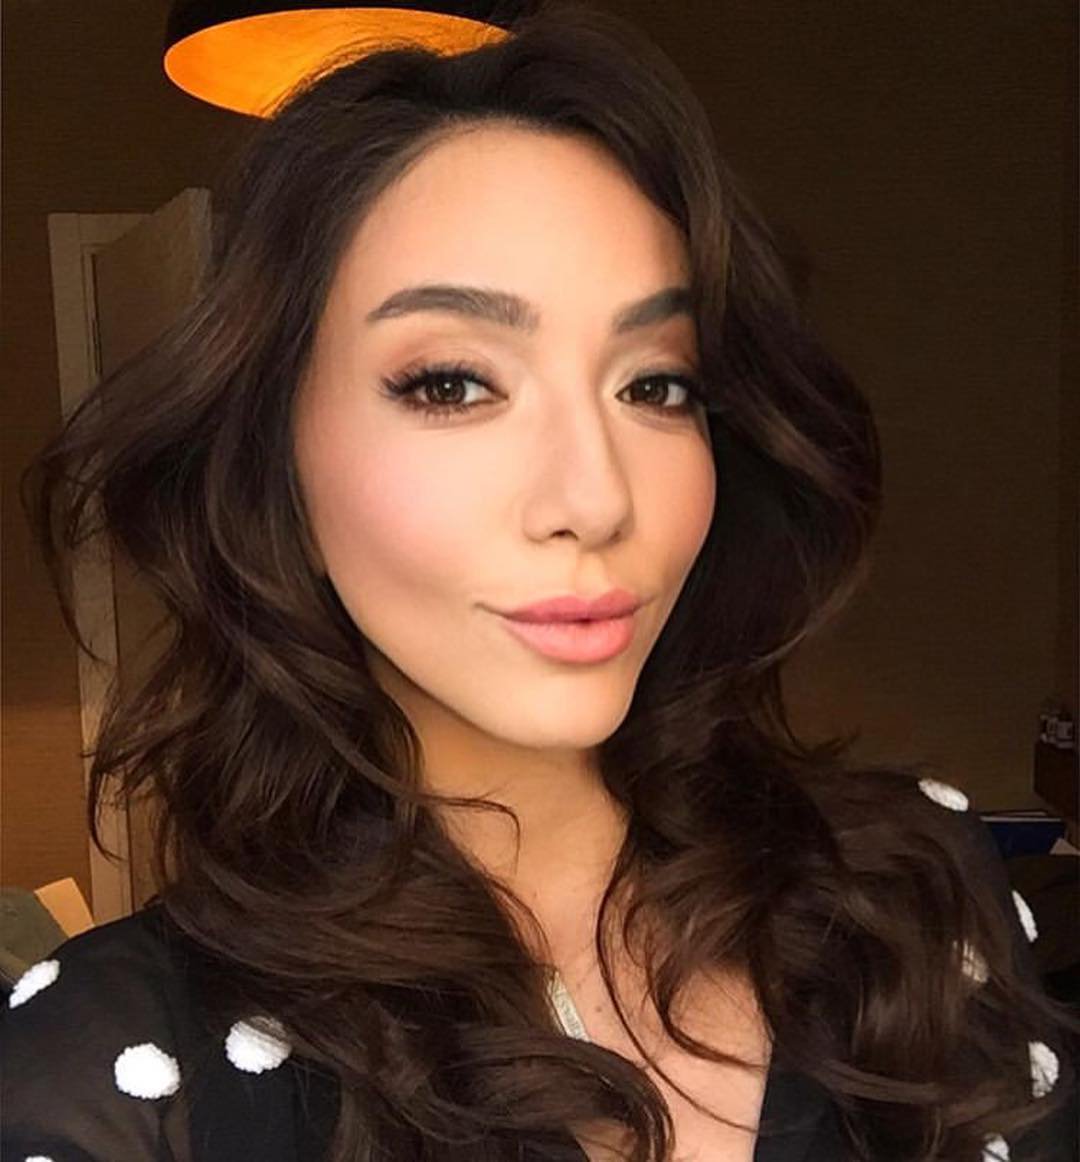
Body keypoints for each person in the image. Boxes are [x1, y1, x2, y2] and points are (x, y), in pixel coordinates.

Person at [3, 2, 1077, 1159]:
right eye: (454, 383)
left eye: (656, 384)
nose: (596, 496)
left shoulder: (914, 900)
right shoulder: (118, 1071)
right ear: (277, 464)